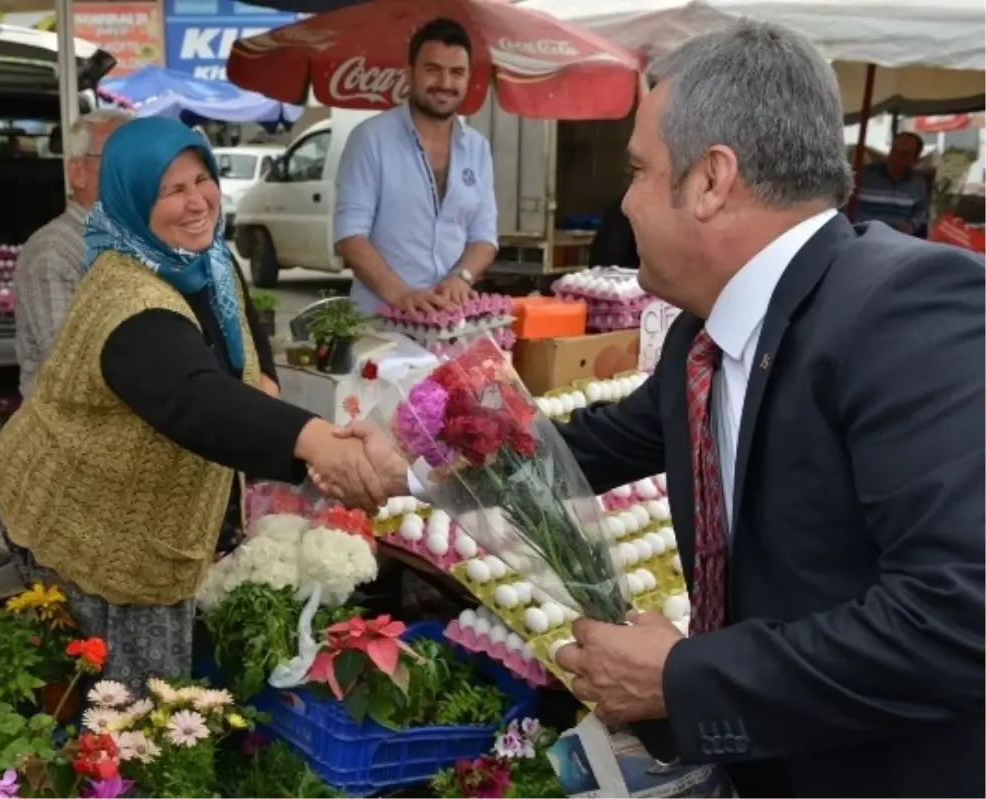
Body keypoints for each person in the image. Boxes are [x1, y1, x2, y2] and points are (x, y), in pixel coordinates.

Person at [324, 20, 986, 799]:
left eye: (638, 170)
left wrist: (683, 678)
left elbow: (960, 615)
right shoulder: (705, 334)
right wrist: (414, 461)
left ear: (710, 180)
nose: (624, 201)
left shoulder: (908, 309)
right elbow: (587, 448)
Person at [0, 117, 388, 689]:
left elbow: (246, 338)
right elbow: (194, 394)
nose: (197, 202)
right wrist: (317, 441)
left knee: (148, 701)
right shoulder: (126, 293)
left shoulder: (210, 262)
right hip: (98, 524)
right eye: (172, 190)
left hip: (163, 509)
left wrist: (266, 385)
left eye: (203, 179)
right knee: (136, 710)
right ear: (132, 197)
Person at [334, 18, 498, 315]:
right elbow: (350, 237)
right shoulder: (370, 139)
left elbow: (484, 237)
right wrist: (401, 294)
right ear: (410, 73)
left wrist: (462, 277)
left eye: (457, 72)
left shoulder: (478, 148)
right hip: (381, 325)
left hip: (449, 325)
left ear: (468, 79)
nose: (445, 84)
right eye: (433, 69)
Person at [14, 109, 130, 398]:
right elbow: (68, 364)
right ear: (78, 172)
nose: (134, 172)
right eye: (118, 160)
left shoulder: (134, 241)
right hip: (72, 430)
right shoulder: (54, 250)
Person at [848, 131, 929, 235]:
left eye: (903, 154)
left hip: (897, 239)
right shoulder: (863, 176)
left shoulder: (917, 183)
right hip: (863, 235)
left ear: (915, 160)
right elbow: (842, 205)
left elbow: (921, 211)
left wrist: (912, 224)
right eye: (894, 150)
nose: (895, 157)